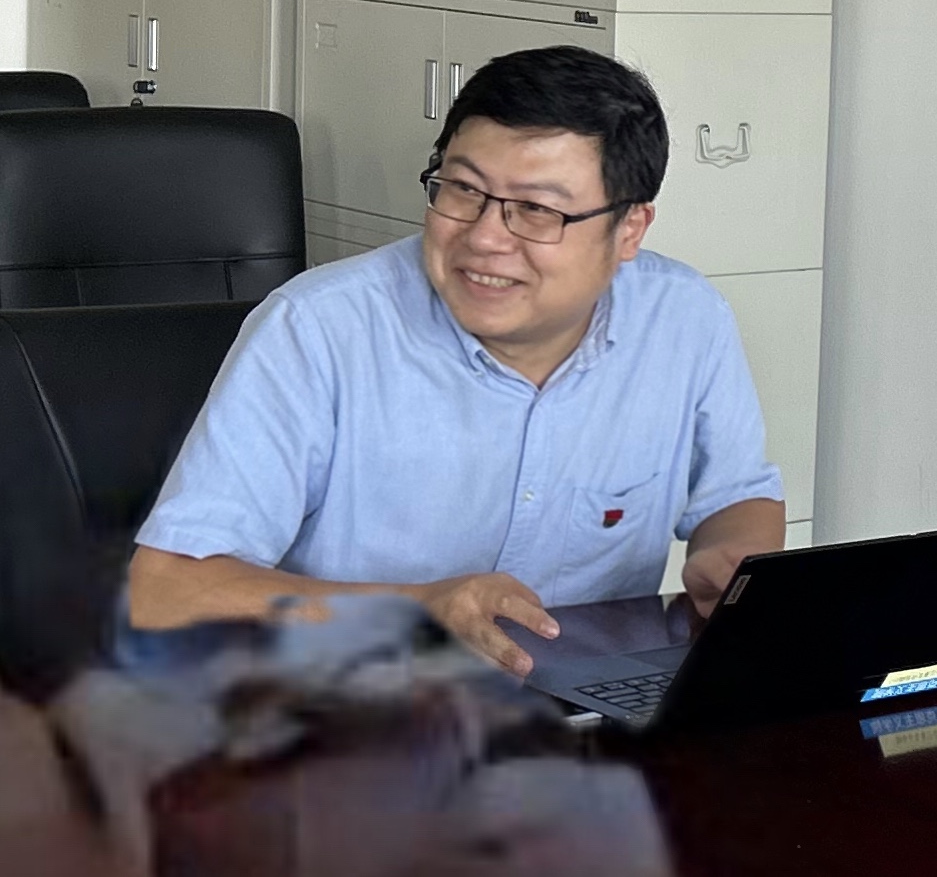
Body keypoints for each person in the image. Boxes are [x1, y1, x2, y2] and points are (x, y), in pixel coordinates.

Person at [124, 47, 786, 677]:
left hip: (584, 709)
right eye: (462, 190)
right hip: (348, 709)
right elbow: (165, 592)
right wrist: (413, 613)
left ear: (630, 229)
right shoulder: (318, 331)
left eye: (536, 210)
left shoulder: (684, 318)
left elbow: (738, 497)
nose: (485, 237)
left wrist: (729, 557)